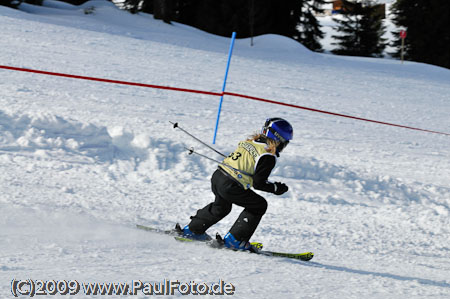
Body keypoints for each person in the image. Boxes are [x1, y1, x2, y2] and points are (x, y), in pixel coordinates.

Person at [181, 118, 293, 251]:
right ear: (278, 139)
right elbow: (258, 183)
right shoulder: (267, 155)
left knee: (221, 207)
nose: (284, 146)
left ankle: (193, 230)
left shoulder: (251, 142)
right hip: (231, 185)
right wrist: (276, 188)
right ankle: (235, 240)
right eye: (285, 142)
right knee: (259, 205)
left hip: (218, 176)